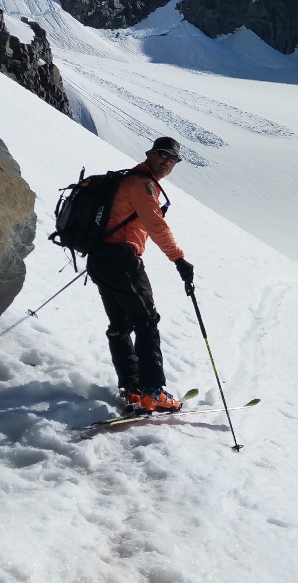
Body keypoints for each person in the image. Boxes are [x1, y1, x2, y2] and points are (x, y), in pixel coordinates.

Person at [88, 136, 196, 413]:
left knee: (121, 324)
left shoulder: (132, 180)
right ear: (150, 153)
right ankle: (152, 392)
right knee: (146, 321)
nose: (167, 162)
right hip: (122, 260)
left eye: (173, 159)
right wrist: (179, 259)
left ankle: (133, 390)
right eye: (163, 155)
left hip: (102, 259)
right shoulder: (142, 184)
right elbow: (155, 225)